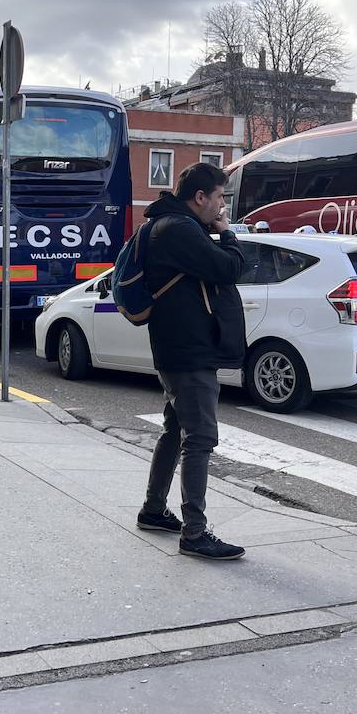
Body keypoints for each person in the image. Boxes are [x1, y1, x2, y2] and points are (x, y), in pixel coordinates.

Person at [137, 162, 247, 560]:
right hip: (189, 349)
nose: (221, 206)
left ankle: (153, 509)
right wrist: (227, 233)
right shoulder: (179, 229)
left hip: (177, 345)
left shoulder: (167, 224)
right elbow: (229, 267)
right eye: (219, 197)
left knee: (174, 429)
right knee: (199, 438)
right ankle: (195, 533)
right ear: (200, 197)